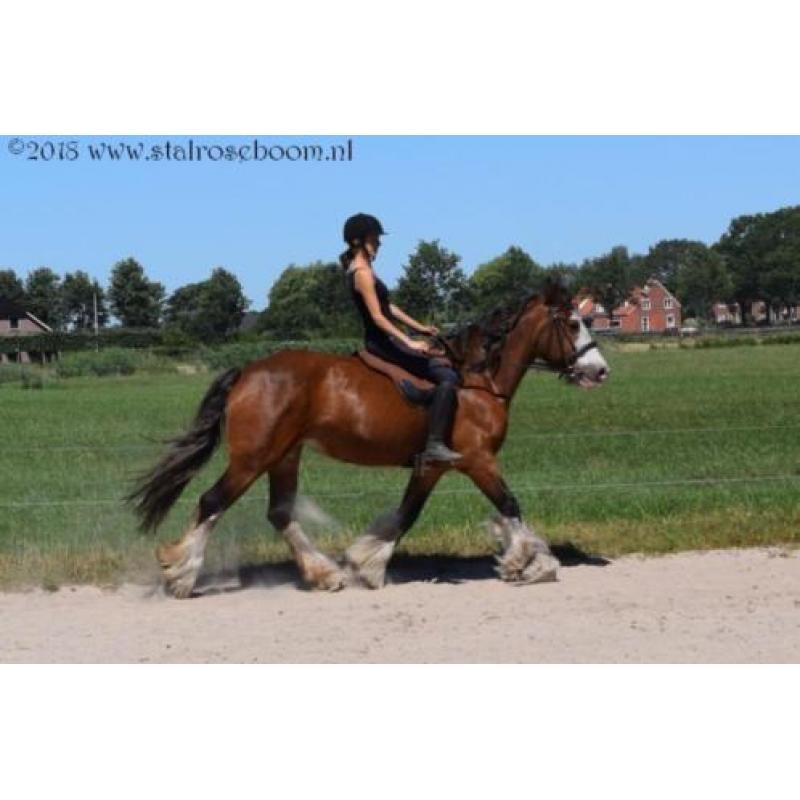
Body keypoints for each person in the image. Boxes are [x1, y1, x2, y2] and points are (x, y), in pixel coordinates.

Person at [340, 212, 462, 464]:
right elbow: (378, 317)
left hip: (388, 340)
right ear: (357, 242)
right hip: (382, 344)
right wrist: (410, 342)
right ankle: (434, 444)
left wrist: (420, 328)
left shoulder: (367, 270)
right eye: (374, 239)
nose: (379, 244)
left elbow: (389, 307)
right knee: (447, 377)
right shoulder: (361, 273)